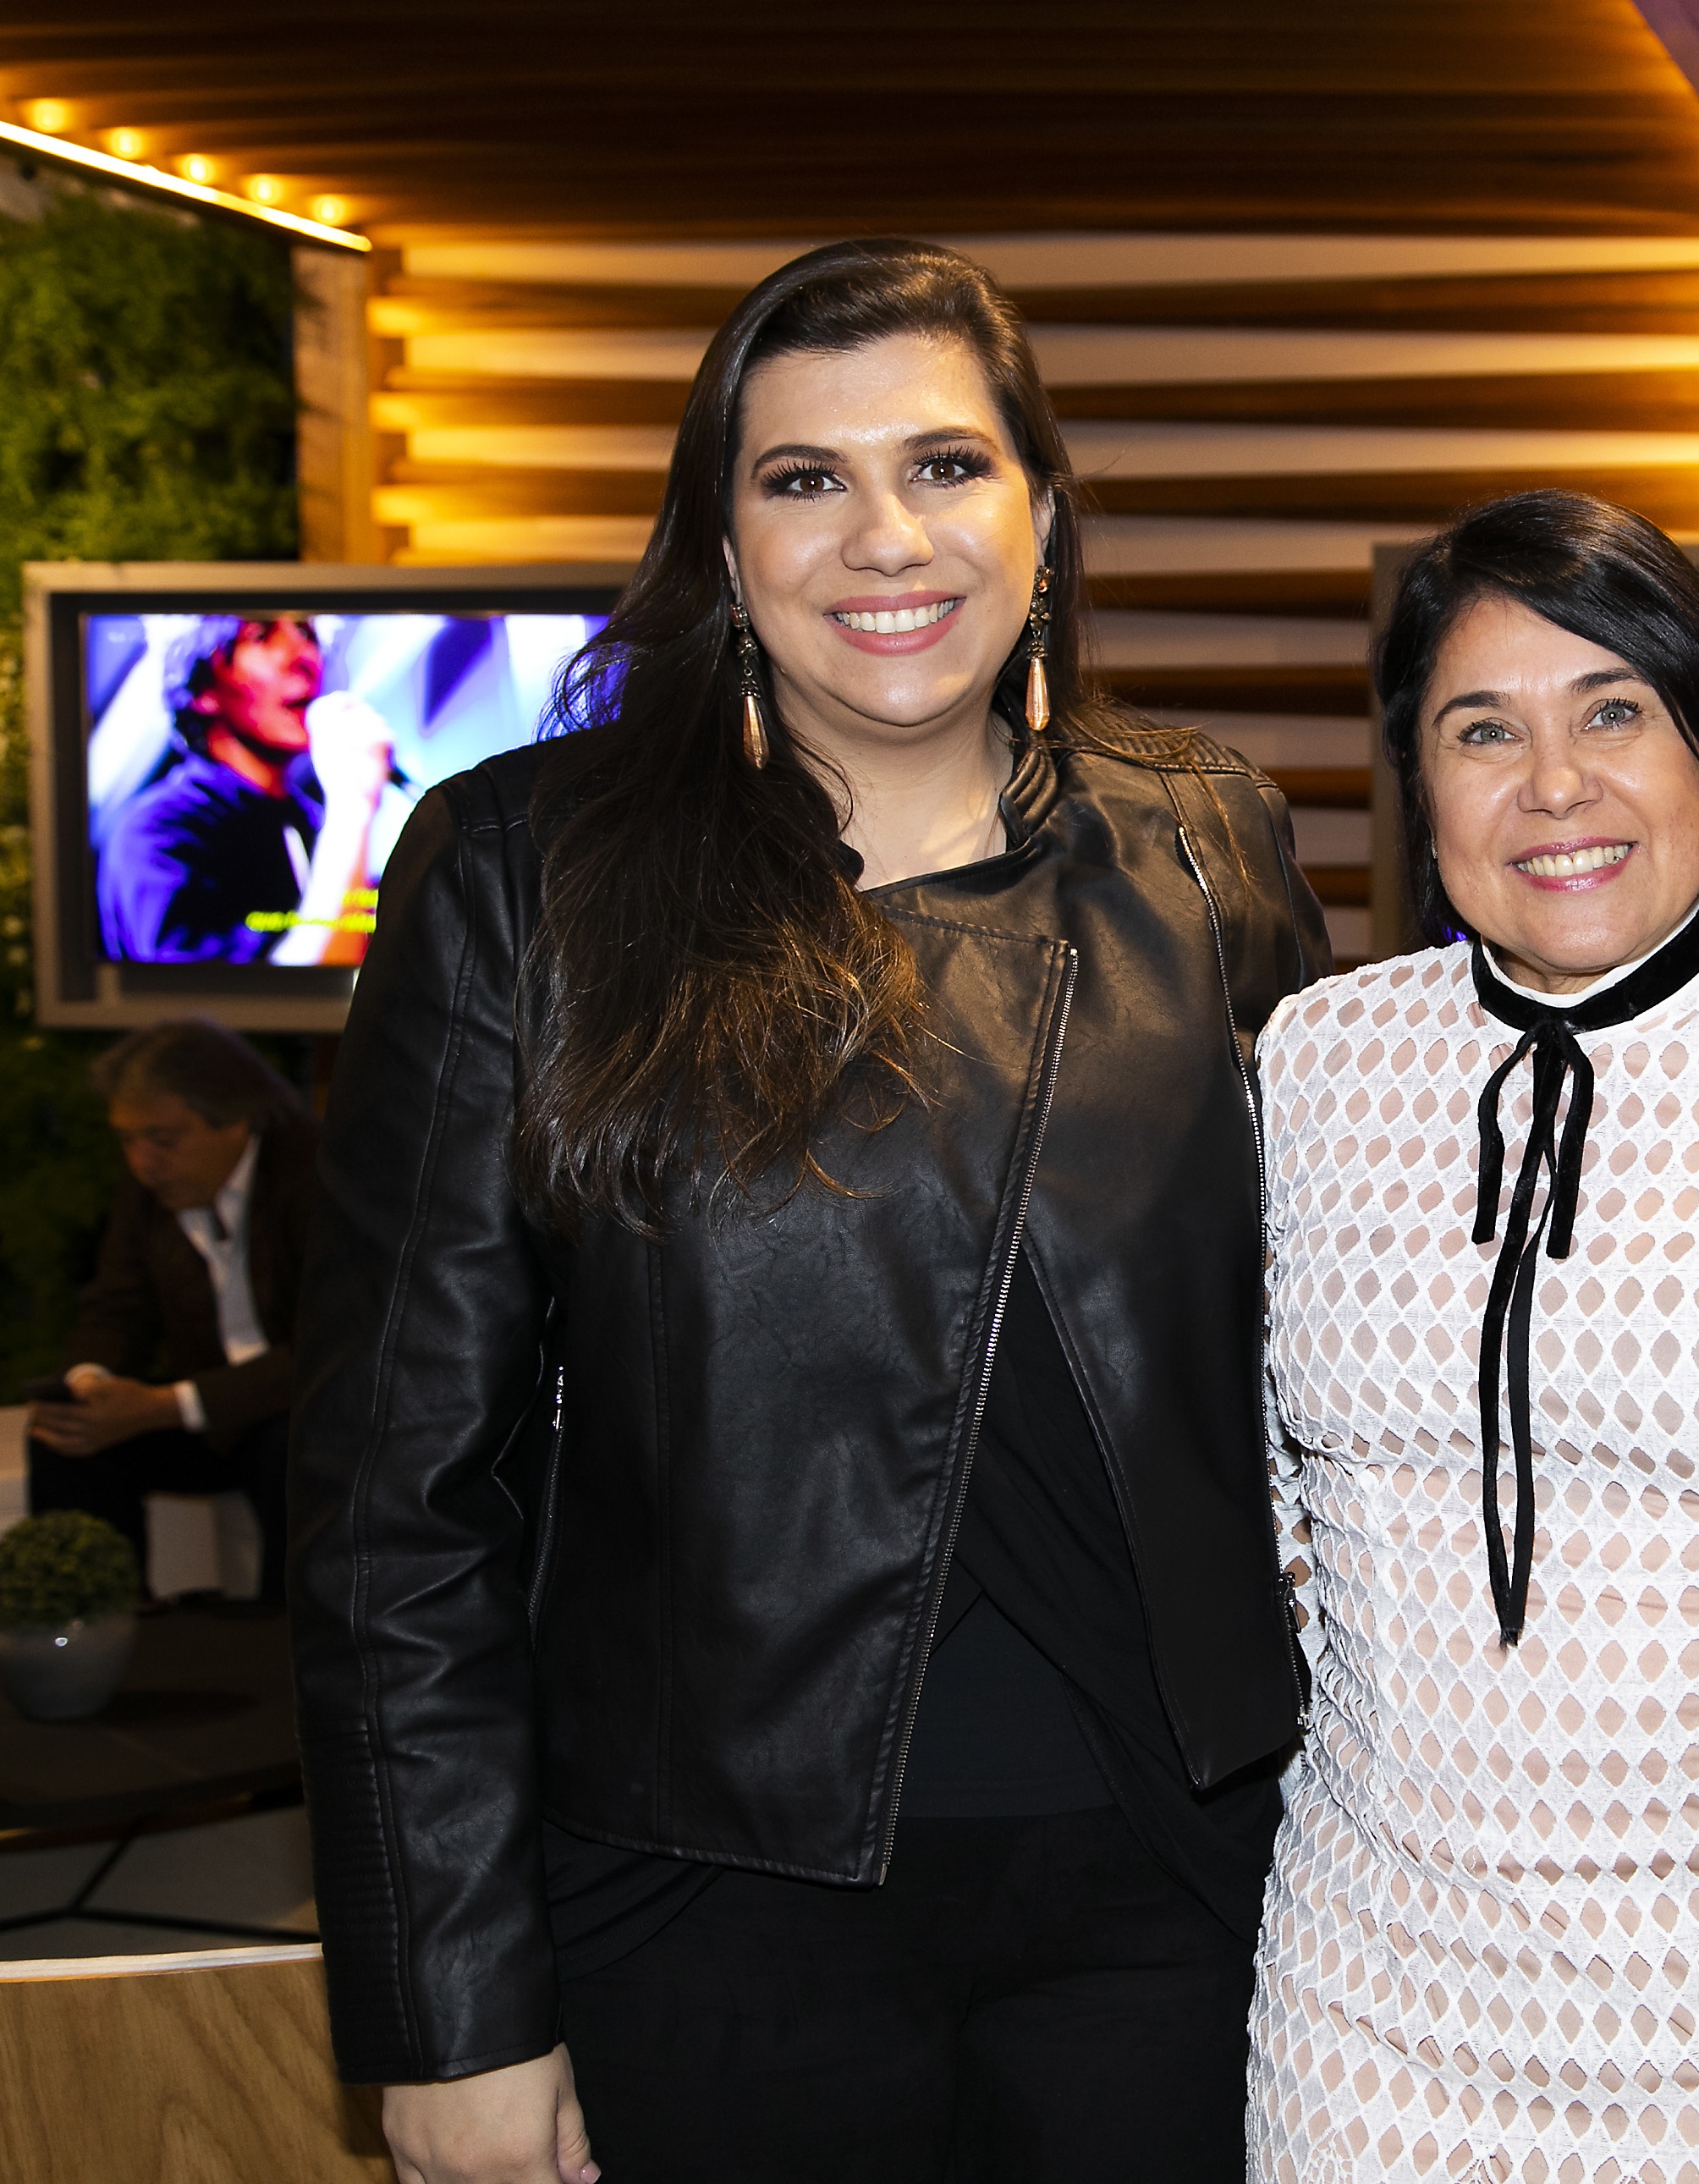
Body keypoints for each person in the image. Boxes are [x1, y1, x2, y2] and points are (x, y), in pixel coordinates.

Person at [289, 239, 1331, 2184]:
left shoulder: (1207, 836)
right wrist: (450, 2000)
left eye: (944, 466)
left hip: (1172, 1893)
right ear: (722, 540)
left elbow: (1319, 1356)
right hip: (715, 1909)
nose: (883, 537)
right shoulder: (530, 871)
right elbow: (391, 1500)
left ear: (1042, 515)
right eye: (802, 479)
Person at [1244, 490, 1699, 2181]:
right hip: (1371, 2002)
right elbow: (1266, 1497)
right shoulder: (1313, 1062)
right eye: (1481, 729)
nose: (1552, 784)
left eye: (1613, 713)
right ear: (1418, 784)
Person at [27, 1015, 317, 1604]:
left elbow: (331, 1347)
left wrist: (166, 1405)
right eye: (128, 1139)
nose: (142, 1160)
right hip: (211, 1410)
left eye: (162, 1137)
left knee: (293, 1445)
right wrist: (90, 1386)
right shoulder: (150, 1185)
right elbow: (115, 1306)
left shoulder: (317, 1174)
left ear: (235, 1118)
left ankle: (280, 1647)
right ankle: (101, 1626)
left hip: (300, 1404)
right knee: (66, 1437)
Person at [96, 615, 396, 965]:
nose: (302, 655)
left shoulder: (313, 824)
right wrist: (352, 808)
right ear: (204, 689)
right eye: (261, 635)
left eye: (306, 633)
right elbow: (251, 1004)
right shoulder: (158, 831)